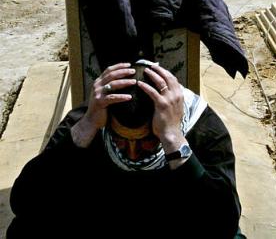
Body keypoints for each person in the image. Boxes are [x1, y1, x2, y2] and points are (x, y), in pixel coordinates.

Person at [7, 60, 246, 239]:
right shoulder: (91, 120)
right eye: (121, 141)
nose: (132, 153)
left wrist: (173, 140)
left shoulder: (201, 127)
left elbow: (223, 223)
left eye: (146, 143)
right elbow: (25, 203)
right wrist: (85, 129)